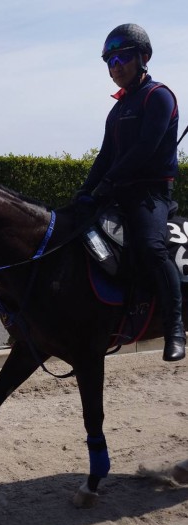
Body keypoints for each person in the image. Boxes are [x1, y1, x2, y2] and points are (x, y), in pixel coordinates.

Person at [76, 23, 185, 362]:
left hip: (150, 196)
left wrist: (107, 184)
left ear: (143, 57)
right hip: (118, 191)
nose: (116, 66)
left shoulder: (159, 96)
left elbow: (145, 149)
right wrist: (85, 192)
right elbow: (105, 156)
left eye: (122, 58)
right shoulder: (117, 109)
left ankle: (175, 328)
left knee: (151, 249)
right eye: (110, 61)